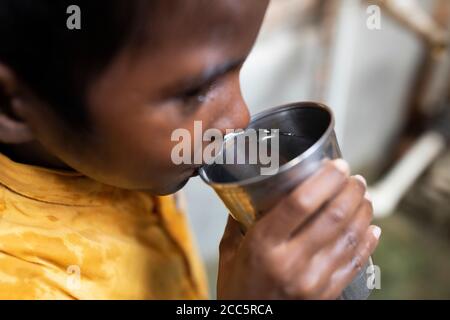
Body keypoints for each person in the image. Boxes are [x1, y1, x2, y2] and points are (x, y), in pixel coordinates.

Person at [0, 0, 380, 299]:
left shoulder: (108, 161)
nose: (239, 117)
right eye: (193, 92)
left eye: (239, 66)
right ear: (10, 104)